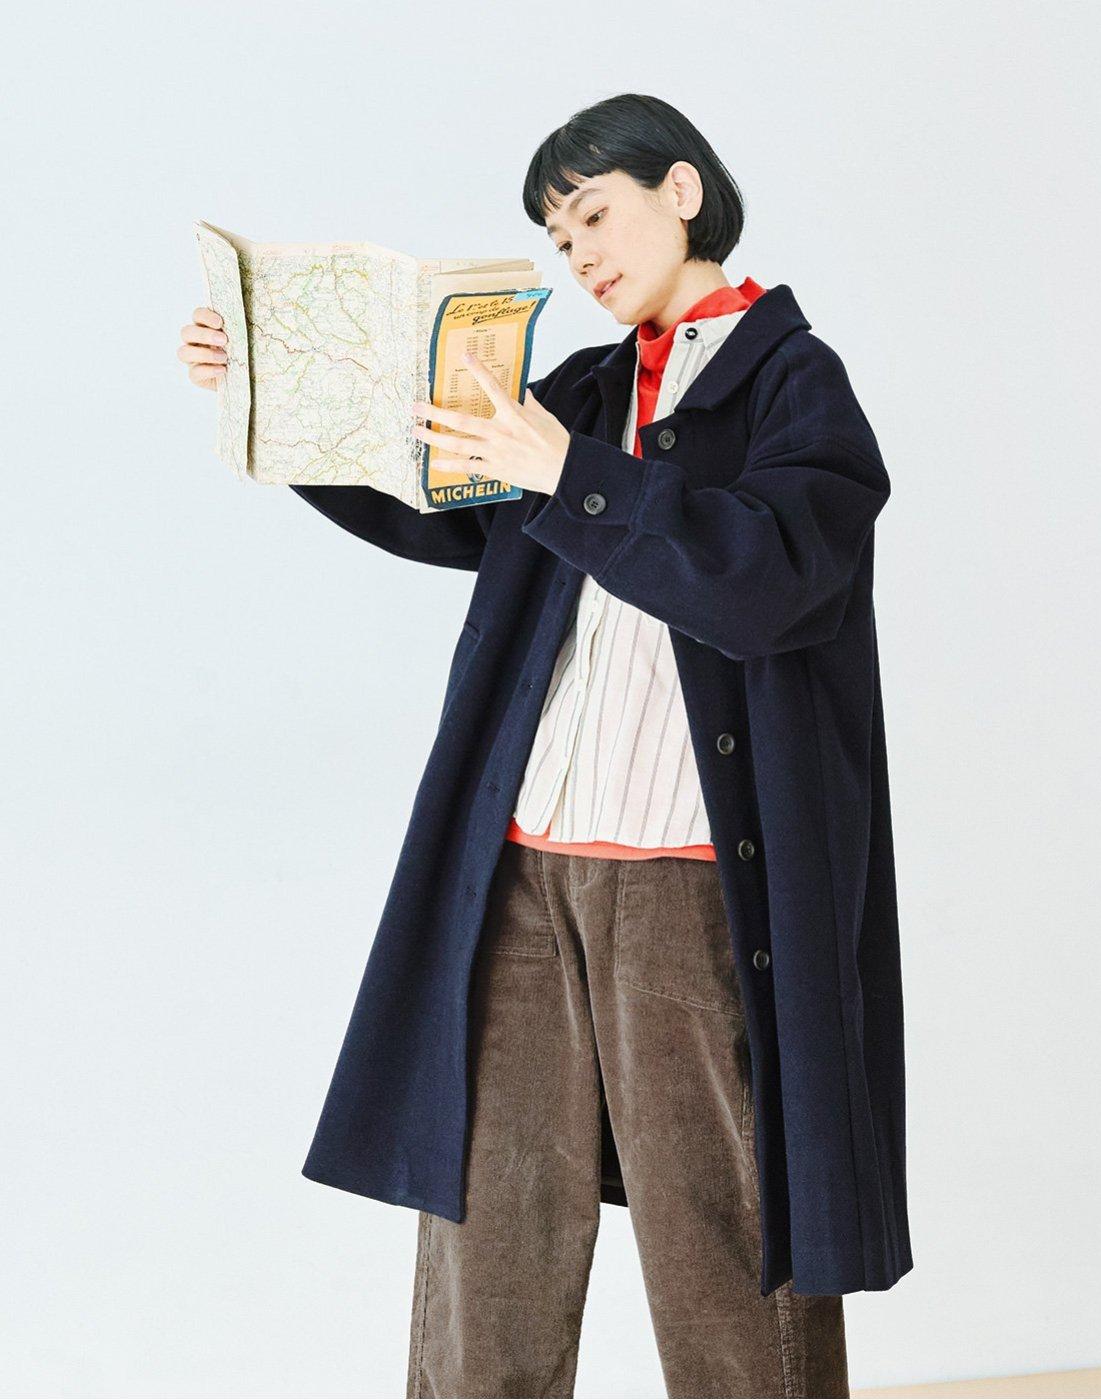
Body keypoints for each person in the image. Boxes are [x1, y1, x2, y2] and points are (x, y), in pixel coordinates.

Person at [177, 92, 912, 1399]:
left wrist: (570, 469)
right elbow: (439, 508)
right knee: (487, 1233)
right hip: (516, 875)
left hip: (691, 886)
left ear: (681, 190)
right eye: (559, 238)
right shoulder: (579, 390)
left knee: (725, 1240)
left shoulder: (796, 383)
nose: (579, 255)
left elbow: (767, 583)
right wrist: (270, 388)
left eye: (594, 216)